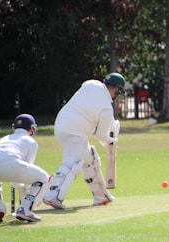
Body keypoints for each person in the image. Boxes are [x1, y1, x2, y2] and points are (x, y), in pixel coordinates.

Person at [42, 72, 125, 209]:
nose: (118, 94)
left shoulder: (92, 84)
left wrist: (111, 127)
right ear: (115, 88)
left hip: (62, 125)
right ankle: (52, 195)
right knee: (73, 163)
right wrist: (111, 140)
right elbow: (101, 136)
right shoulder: (106, 108)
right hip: (75, 131)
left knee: (91, 159)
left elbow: (89, 99)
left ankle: (101, 196)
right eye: (119, 91)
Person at [0, 114, 53, 223]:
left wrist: (19, 186)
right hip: (12, 166)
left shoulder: (5, 138)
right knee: (44, 178)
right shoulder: (31, 141)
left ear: (14, 128)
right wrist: (30, 192)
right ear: (31, 129)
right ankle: (25, 208)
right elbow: (25, 169)